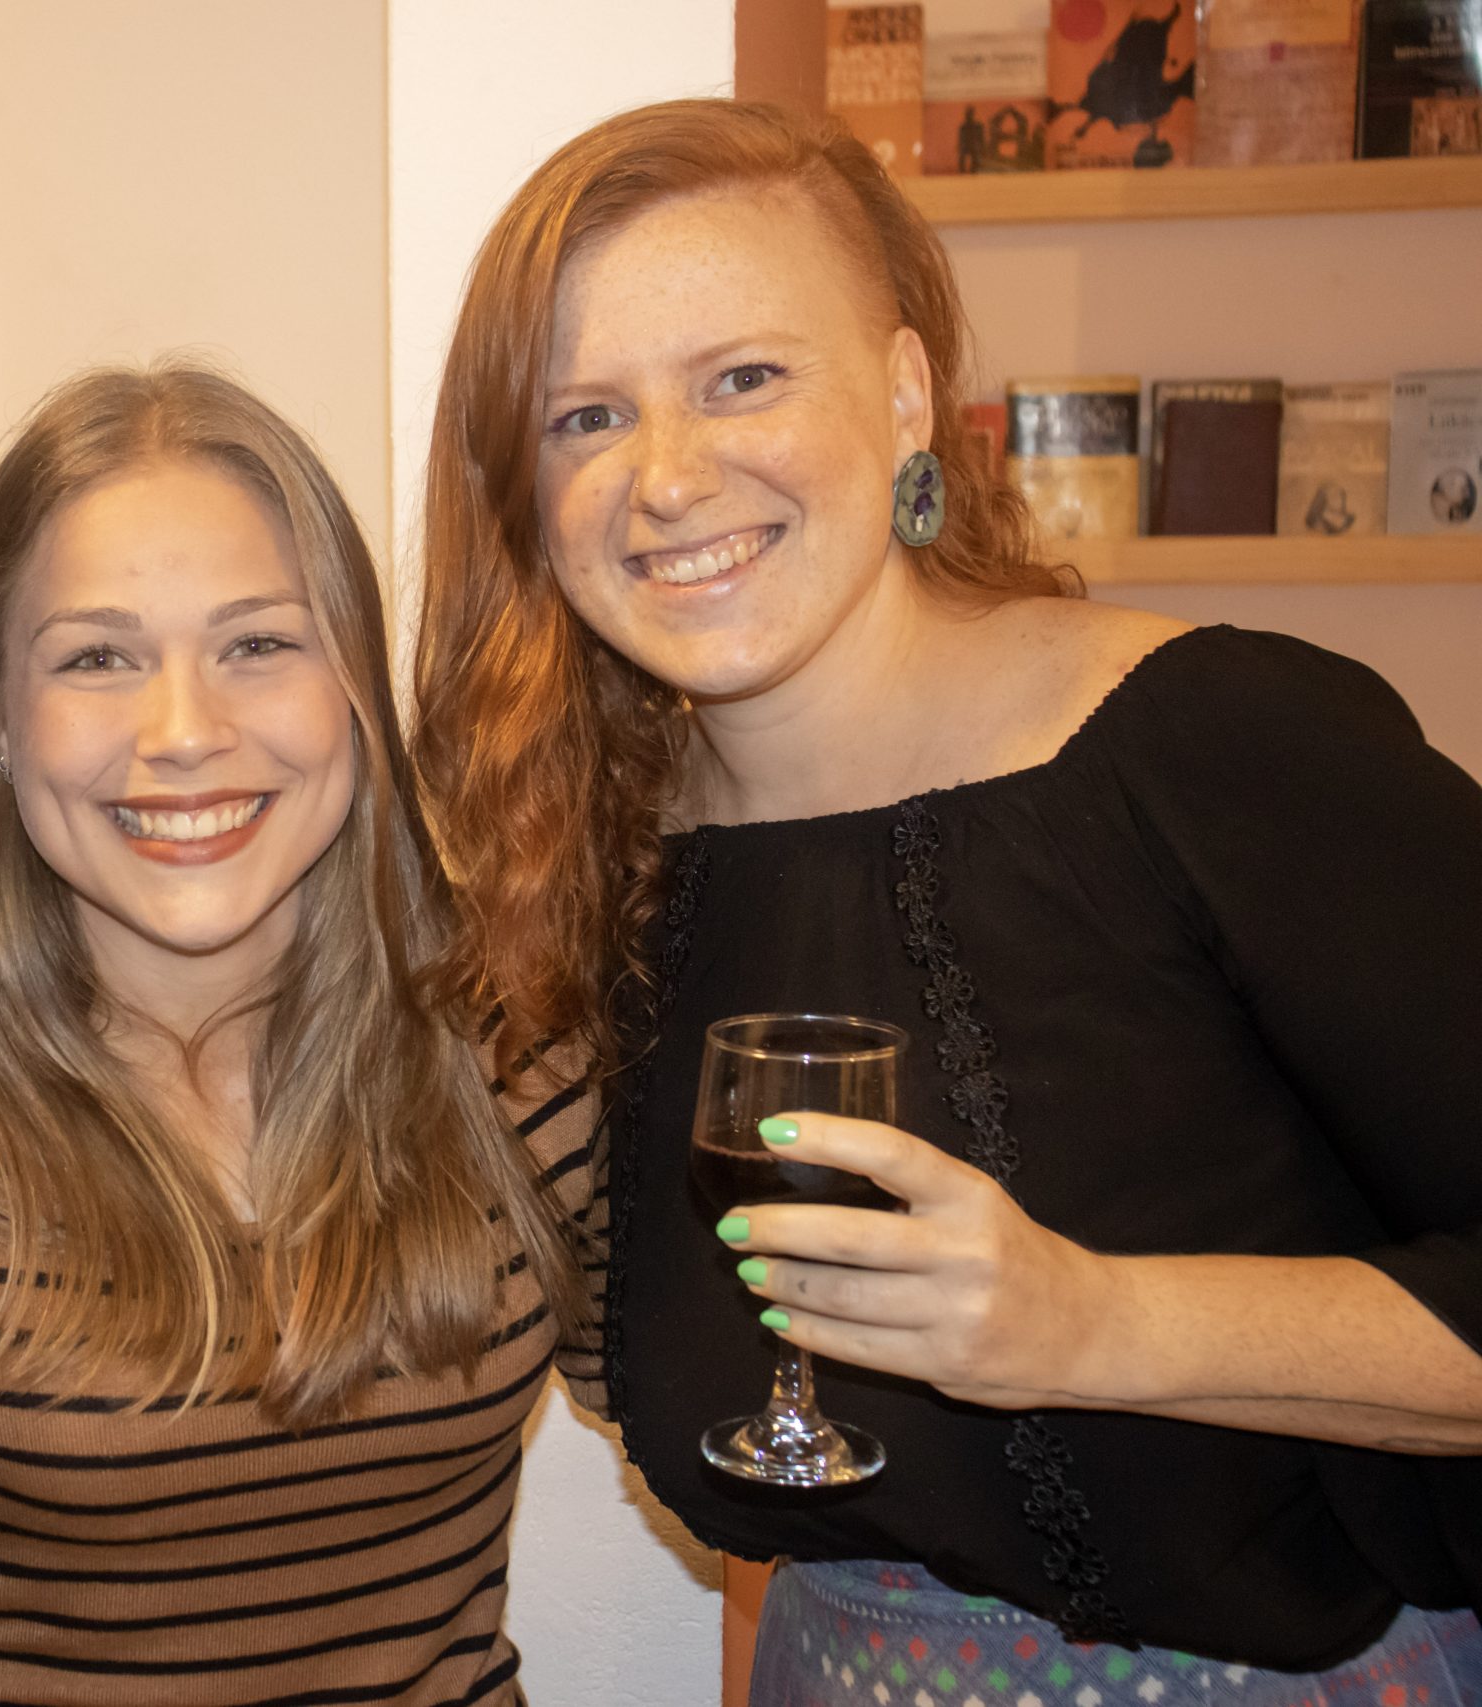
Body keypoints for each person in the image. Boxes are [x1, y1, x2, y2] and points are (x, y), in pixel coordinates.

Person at [415, 99, 1482, 1703]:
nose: (667, 478)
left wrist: (1096, 1323)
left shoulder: (1218, 745)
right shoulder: (597, 873)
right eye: (586, 416)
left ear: (907, 392)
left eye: (744, 378)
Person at [0, 363, 605, 1705]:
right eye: (97, 658)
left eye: (258, 645)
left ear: (352, 675)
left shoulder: (523, 1050)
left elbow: (767, 1448)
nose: (184, 734)